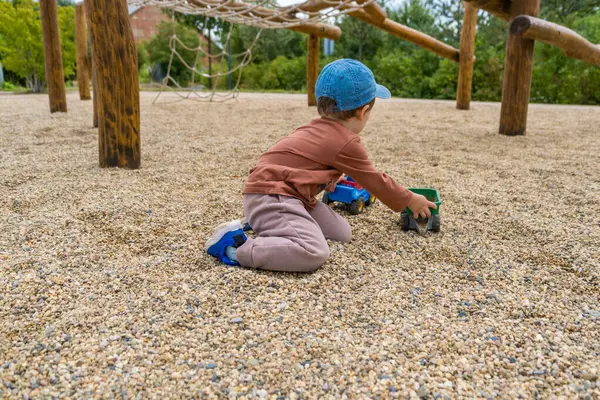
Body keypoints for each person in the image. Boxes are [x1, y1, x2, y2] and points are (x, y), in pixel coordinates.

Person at [205, 59, 436, 272]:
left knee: (342, 233)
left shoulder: (317, 128)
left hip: (289, 195)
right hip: (272, 195)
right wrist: (409, 199)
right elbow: (374, 180)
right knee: (313, 252)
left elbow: (311, 163)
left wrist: (331, 179)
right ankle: (235, 248)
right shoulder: (346, 142)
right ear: (364, 112)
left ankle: (264, 224)